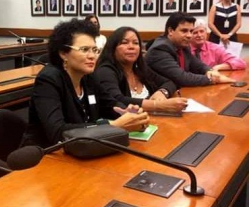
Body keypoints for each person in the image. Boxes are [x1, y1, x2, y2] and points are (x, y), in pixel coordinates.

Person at [22, 19, 149, 148]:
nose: (92, 56)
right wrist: (112, 126)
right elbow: (57, 131)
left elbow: (110, 104)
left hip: (82, 149)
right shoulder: (48, 80)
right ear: (63, 53)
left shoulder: (88, 76)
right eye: (85, 49)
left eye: (95, 50)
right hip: (44, 154)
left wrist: (129, 114)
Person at [95, 26, 187, 118]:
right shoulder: (106, 71)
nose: (131, 47)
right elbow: (116, 100)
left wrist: (162, 92)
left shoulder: (139, 68)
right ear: (113, 48)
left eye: (136, 43)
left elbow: (169, 82)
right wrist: (157, 105)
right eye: (124, 42)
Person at [145, 12, 234, 87]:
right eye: (184, 31)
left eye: (191, 31)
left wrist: (210, 71)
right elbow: (182, 78)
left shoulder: (183, 45)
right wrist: (213, 79)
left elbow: (198, 65)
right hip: (160, 99)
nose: (189, 35)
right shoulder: (160, 49)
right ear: (171, 31)